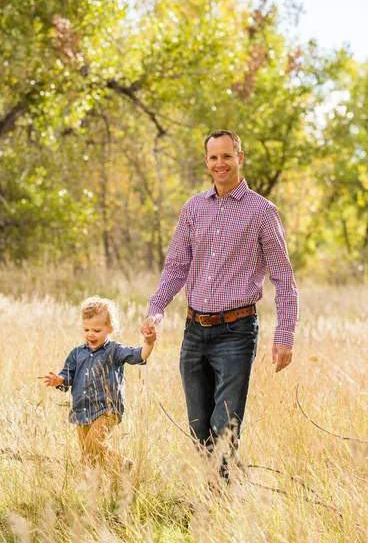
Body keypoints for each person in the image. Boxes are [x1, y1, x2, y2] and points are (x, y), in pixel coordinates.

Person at [141, 129, 298, 482]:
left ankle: (218, 504)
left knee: (223, 424)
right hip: (194, 330)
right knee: (199, 427)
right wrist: (156, 309)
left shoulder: (262, 211)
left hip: (236, 332)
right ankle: (233, 489)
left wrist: (285, 335)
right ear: (207, 162)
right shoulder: (193, 208)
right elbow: (176, 266)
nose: (220, 163)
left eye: (226, 156)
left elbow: (284, 280)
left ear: (239, 158)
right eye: (213, 157)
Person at [45, 296, 156, 473]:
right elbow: (68, 373)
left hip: (107, 409)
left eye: (96, 330)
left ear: (110, 329)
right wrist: (59, 380)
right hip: (82, 410)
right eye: (86, 329)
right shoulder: (77, 353)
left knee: (93, 445)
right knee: (88, 455)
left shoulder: (115, 350)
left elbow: (139, 355)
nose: (90, 334)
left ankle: (122, 464)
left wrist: (149, 343)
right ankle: (105, 484)